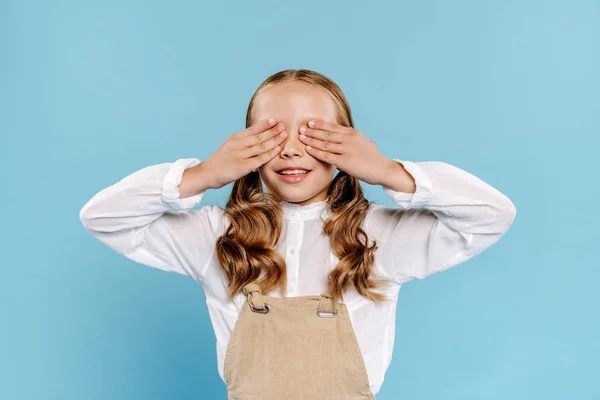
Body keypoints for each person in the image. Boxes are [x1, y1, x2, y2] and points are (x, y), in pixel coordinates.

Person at [79, 69, 517, 399]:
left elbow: (492, 214)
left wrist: (387, 171)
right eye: (272, 134)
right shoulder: (216, 236)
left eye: (313, 134)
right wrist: (202, 175)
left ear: (346, 141)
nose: (290, 149)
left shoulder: (380, 236)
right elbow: (103, 217)